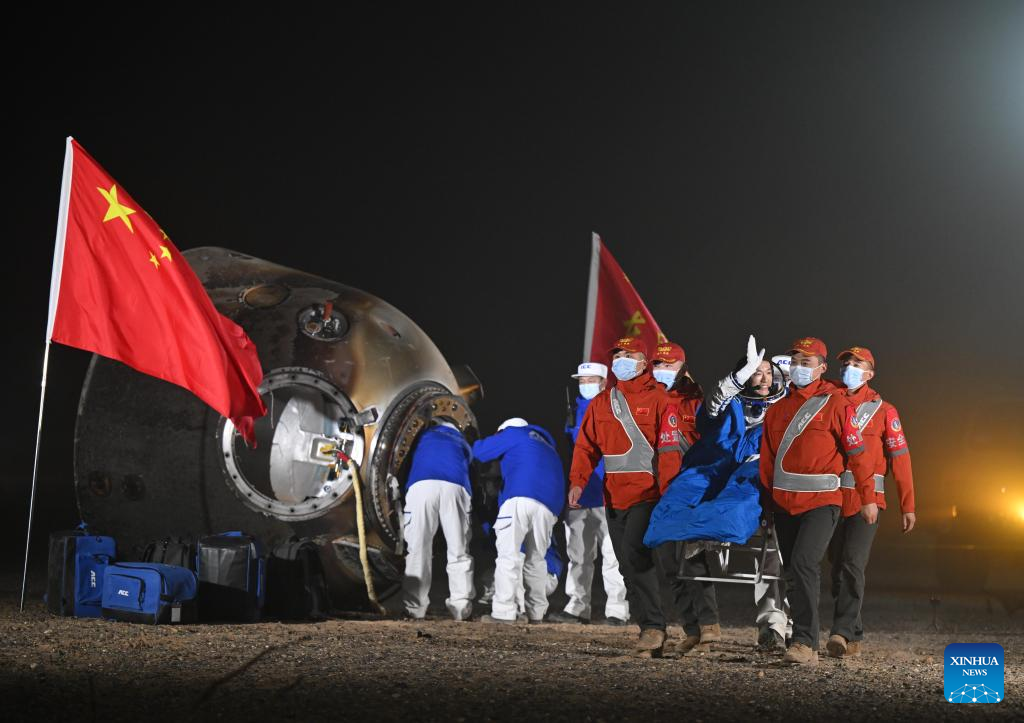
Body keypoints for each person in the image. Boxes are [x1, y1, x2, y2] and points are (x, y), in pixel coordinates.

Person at [646, 336, 790, 653]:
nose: (763, 377)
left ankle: (777, 625)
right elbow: (712, 407)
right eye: (756, 371)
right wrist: (737, 379)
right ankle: (695, 534)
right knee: (679, 499)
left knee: (744, 513)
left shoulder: (786, 405)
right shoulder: (729, 401)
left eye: (768, 371)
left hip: (756, 470)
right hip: (714, 462)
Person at [760, 337, 874, 666]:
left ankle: (804, 643)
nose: (798, 367)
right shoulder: (778, 408)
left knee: (804, 562)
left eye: (806, 362)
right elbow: (767, 462)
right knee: (794, 571)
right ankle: (804, 638)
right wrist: (765, 504)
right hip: (784, 503)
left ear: (822, 369)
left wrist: (867, 498)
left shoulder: (837, 404)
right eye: (795, 360)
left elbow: (858, 456)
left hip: (823, 501)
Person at [569, 337, 683, 657]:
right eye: (616, 354)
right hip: (613, 496)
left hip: (648, 494)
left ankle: (653, 628)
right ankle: (650, 628)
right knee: (625, 565)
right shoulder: (602, 402)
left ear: (643, 362)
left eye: (627, 354)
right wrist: (578, 481)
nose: (620, 358)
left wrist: (669, 493)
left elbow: (670, 450)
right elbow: (585, 447)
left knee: (635, 556)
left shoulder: (660, 399)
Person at [827, 346, 916, 657]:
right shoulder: (828, 401)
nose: (849, 367)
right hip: (830, 497)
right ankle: (854, 631)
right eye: (846, 363)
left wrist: (908, 504)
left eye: (857, 363)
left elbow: (900, 459)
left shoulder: (884, 411)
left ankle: (840, 633)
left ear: (870, 373)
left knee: (853, 562)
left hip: (868, 501)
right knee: (837, 566)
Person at [547, 362, 630, 626]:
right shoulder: (573, 412)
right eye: (581, 381)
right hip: (581, 496)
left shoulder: (616, 408)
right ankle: (577, 607)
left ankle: (617, 611)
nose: (585, 385)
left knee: (613, 557)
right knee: (578, 556)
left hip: (610, 495)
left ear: (604, 382)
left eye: (590, 380)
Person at [473, 418, 566, 624]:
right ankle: (536, 614)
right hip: (549, 506)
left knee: (509, 556)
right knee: (536, 560)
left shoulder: (514, 433)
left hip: (520, 497)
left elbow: (479, 451)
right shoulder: (547, 447)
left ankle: (504, 613)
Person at [401, 420, 476, 620]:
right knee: (459, 550)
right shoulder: (461, 441)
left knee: (418, 548)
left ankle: (414, 609)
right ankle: (461, 608)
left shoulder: (423, 436)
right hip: (456, 486)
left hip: (421, 485)